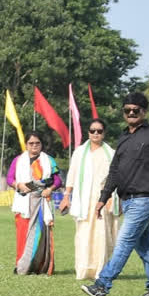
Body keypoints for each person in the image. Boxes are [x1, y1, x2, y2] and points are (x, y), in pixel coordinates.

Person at [81, 92, 149, 296]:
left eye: (136, 110)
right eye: (127, 110)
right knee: (145, 247)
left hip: (146, 198)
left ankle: (101, 285)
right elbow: (115, 170)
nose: (131, 113)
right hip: (127, 199)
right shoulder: (123, 137)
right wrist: (103, 197)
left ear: (144, 111)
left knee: (123, 242)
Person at [59, 119, 120, 280]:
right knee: (83, 234)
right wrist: (66, 196)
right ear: (88, 132)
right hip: (83, 199)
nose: (95, 134)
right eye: (92, 130)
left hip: (103, 198)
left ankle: (102, 270)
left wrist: (113, 198)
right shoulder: (79, 152)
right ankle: (84, 269)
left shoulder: (111, 153)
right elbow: (72, 174)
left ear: (104, 133)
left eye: (99, 131)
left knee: (102, 235)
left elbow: (116, 178)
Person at [7, 131, 62, 275]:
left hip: (42, 202)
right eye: (31, 143)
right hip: (23, 202)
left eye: (37, 143)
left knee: (42, 235)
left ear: (41, 144)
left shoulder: (48, 161)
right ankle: (21, 265)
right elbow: (9, 179)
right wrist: (19, 186)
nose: (34, 146)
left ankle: (41, 266)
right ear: (26, 145)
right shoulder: (18, 160)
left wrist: (50, 189)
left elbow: (58, 181)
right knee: (22, 235)